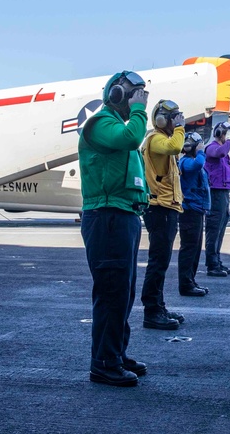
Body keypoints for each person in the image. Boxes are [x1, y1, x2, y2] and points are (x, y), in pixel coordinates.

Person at [78, 70, 151, 387]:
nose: (138, 99)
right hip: (106, 217)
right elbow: (132, 139)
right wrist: (139, 110)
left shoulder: (117, 124)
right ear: (118, 93)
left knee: (123, 291)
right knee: (111, 292)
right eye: (133, 93)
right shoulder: (102, 123)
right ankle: (104, 363)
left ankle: (115, 354)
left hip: (123, 216)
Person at [140, 99, 186, 331]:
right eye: (173, 117)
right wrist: (180, 129)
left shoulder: (161, 138)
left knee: (161, 261)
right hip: (159, 208)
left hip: (166, 207)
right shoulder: (156, 138)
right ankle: (152, 311)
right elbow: (175, 147)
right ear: (161, 119)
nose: (177, 122)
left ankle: (159, 306)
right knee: (158, 262)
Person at [178, 131, 211, 297]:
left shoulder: (189, 160)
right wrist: (200, 151)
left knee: (195, 249)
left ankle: (190, 281)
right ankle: (185, 284)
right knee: (189, 249)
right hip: (190, 209)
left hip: (196, 209)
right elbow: (198, 165)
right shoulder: (186, 162)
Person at [204, 122, 230, 276]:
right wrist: (229, 141)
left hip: (223, 193)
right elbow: (220, 153)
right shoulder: (211, 148)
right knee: (214, 229)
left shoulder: (223, 152)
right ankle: (212, 264)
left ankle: (217, 260)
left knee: (220, 229)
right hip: (216, 193)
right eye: (226, 134)